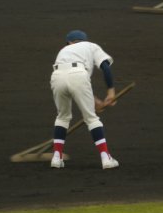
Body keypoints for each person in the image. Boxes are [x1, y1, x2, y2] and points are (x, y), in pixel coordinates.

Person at [50, 30, 119, 169]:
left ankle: (56, 157)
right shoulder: (91, 46)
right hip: (79, 76)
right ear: (84, 40)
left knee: (62, 117)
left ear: (69, 42)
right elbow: (105, 67)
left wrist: (94, 101)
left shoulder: (63, 50)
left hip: (56, 76)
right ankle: (106, 158)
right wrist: (111, 92)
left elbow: (69, 76)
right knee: (91, 118)